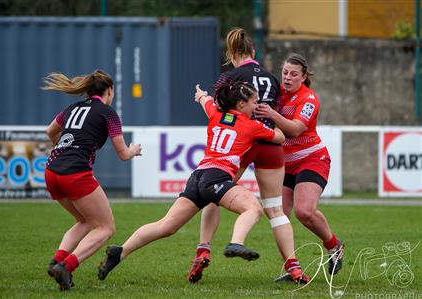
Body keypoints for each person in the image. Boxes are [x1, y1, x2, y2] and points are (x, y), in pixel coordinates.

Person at [97, 81, 286, 281]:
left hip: (198, 176)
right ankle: (236, 243)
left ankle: (121, 251)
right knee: (253, 209)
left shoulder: (215, 112)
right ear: (240, 104)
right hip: (217, 176)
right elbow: (281, 138)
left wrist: (200, 94)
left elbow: (204, 100)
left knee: (166, 225)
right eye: (254, 102)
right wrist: (272, 116)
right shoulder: (253, 126)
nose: (257, 107)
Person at [187, 27, 309, 284]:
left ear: (232, 54)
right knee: (275, 209)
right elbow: (274, 115)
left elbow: (221, 116)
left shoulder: (229, 77)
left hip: (241, 143)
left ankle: (203, 250)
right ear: (254, 53)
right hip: (269, 143)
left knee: (213, 195)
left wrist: (203, 100)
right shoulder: (272, 79)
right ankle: (294, 267)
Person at [42, 69, 142, 291]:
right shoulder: (108, 113)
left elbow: (50, 131)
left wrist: (65, 147)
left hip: (52, 170)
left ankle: (55, 262)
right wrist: (134, 150)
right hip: (75, 173)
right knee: (106, 227)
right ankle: (66, 267)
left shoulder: (72, 108)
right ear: (109, 90)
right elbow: (123, 154)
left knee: (85, 221)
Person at [254, 53, 344, 276]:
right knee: (278, 214)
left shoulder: (309, 99)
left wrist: (272, 114)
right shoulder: (277, 93)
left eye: (294, 74)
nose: (287, 77)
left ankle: (334, 246)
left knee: (305, 211)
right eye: (285, 72)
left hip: (312, 159)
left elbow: (294, 129)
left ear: (303, 77)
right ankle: (291, 267)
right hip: (285, 165)